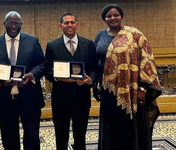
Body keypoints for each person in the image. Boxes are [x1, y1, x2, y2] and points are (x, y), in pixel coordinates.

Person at [93, 4, 162, 150]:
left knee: (129, 125)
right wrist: (95, 85)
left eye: (116, 15)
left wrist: (143, 88)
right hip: (108, 90)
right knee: (110, 123)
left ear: (121, 16)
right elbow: (98, 61)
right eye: (109, 16)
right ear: (104, 18)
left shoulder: (135, 34)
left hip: (132, 91)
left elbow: (146, 60)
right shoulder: (100, 35)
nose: (113, 18)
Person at [0, 11, 45, 150]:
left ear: (21, 24)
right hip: (3, 99)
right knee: (8, 136)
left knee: (32, 136)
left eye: (16, 23)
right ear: (4, 24)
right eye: (10, 23)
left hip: (30, 97)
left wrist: (31, 75)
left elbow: (42, 64)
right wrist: (0, 80)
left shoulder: (33, 41)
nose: (13, 26)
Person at [44, 12, 97, 150]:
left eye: (72, 22)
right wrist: (57, 77)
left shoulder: (89, 44)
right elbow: (47, 69)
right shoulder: (52, 45)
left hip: (82, 97)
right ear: (60, 25)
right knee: (61, 134)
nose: (69, 25)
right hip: (60, 97)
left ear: (77, 24)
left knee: (81, 134)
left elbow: (95, 68)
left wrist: (90, 80)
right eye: (66, 23)